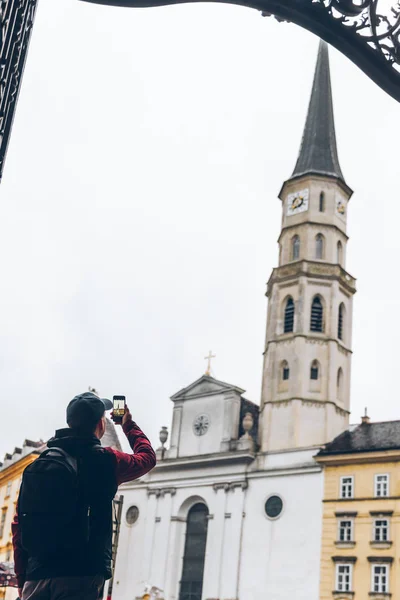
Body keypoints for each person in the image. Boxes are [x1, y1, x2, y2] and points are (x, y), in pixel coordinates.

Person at [12, 391, 156, 600]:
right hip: (81, 576)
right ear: (101, 423)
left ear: (69, 422)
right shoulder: (107, 460)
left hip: (36, 576)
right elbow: (148, 458)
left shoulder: (38, 465)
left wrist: (23, 577)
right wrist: (127, 424)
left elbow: (19, 525)